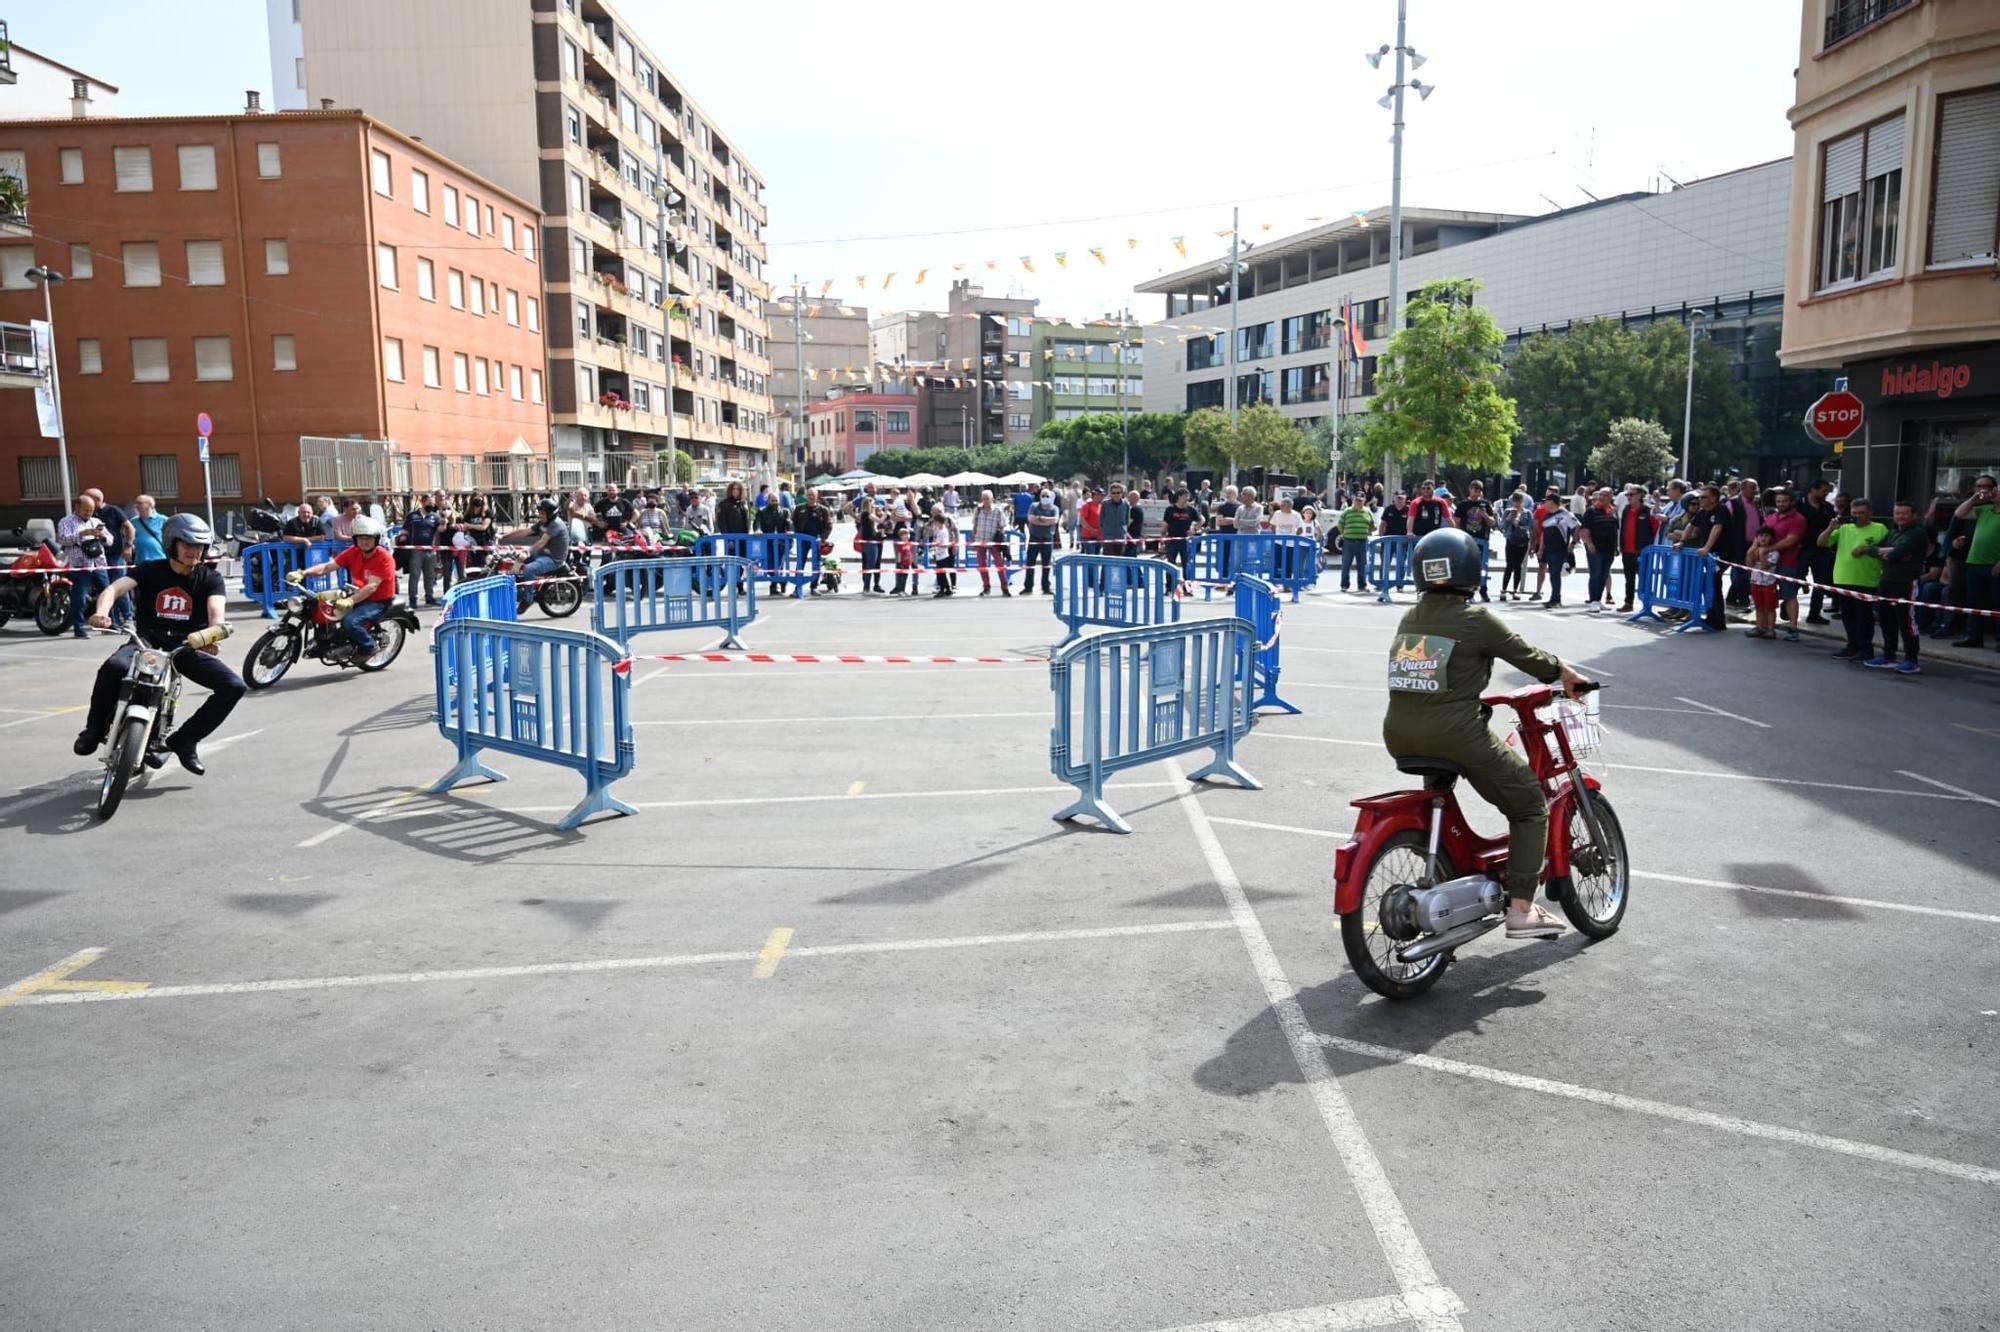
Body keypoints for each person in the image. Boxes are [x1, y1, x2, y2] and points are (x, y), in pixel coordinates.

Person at [1381, 528, 1593, 940]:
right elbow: (1525, 654)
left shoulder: (1411, 616)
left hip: (1401, 734)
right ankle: (1522, 909)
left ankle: (1450, 887)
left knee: (1441, 801)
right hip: (1456, 735)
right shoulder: (1475, 618)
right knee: (1531, 804)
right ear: (1470, 569)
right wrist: (1566, 675)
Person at [76, 513, 241, 776]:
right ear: (171, 544)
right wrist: (103, 612)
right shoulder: (150, 569)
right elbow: (113, 590)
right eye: (187, 545)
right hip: (147, 640)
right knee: (113, 667)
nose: (193, 551)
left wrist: (212, 636)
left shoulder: (211, 579)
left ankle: (185, 741)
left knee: (233, 686)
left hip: (186, 645)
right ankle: (94, 728)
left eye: (199, 546)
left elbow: (216, 613)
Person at [290, 516, 398, 660]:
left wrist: (350, 601)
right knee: (320, 605)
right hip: (357, 592)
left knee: (350, 622)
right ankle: (329, 640)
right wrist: (303, 573)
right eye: (361, 538)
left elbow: (372, 587)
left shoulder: (384, 558)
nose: (365, 542)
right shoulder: (353, 551)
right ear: (355, 539)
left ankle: (369, 647)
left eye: (369, 538)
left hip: (379, 600)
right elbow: (328, 567)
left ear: (376, 539)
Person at [1863, 501, 1930, 675]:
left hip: (1906, 583)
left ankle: (1911, 660)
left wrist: (1889, 552)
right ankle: (1888, 656)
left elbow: (1894, 555)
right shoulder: (1893, 532)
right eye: (1897, 513)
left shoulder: (1917, 533)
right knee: (1886, 620)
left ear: (1914, 515)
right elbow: (1871, 550)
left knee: (1907, 622)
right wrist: (1888, 551)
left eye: (1904, 513)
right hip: (1886, 581)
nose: (1900, 517)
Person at [1819, 497, 1887, 661]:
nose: (1857, 516)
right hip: (1843, 577)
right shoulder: (1844, 528)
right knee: (1848, 616)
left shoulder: (1880, 528)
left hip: (1866, 579)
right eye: (1854, 513)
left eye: (1861, 513)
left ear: (1870, 513)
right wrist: (1830, 528)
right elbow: (1821, 543)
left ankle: (1865, 648)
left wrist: (1868, 549)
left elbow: (1886, 550)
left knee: (1863, 617)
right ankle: (1852, 646)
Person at [1949, 475, 1999, 649]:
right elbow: (1959, 513)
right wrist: (1974, 497)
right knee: (1975, 603)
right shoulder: (1985, 509)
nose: (1993, 493)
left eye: (1995, 490)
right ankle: (1974, 637)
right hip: (1975, 562)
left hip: (1995, 564)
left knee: (1997, 603)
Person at [57, 495, 113, 638]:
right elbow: (62, 539)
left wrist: (102, 536)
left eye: (91, 510)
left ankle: (108, 625)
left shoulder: (96, 521)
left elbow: (110, 540)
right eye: (86, 510)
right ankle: (79, 628)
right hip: (80, 565)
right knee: (80, 598)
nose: (89, 513)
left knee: (107, 594)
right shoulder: (66, 521)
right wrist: (81, 534)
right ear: (77, 507)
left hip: (98, 564)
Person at [1678, 484, 1729, 630]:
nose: (1700, 500)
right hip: (1709, 556)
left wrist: (1707, 547)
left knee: (1713, 585)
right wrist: (1682, 541)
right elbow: (1690, 526)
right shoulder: (1702, 512)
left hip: (1721, 555)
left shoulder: (1721, 510)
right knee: (1709, 585)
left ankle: (1718, 620)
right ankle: (1711, 616)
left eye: (1704, 497)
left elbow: (1717, 528)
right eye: (1699, 497)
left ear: (1713, 498)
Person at [1761, 487, 1806, 640]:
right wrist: (1754, 551)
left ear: (1792, 502)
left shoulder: (1798, 519)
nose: (1781, 504)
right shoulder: (1770, 517)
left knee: (1789, 595)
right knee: (1763, 595)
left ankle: (1793, 629)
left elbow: (1791, 540)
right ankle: (1764, 627)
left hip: (1788, 562)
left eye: (1784, 501)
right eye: (1778, 501)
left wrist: (1768, 549)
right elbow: (1760, 536)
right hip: (1767, 563)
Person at [1799, 479, 1839, 625]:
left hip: (1822, 550)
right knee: (1797, 579)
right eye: (1823, 491)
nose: (1826, 493)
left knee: (1820, 584)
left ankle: (1814, 613)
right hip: (1803, 549)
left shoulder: (1827, 507)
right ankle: (1787, 606)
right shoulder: (1799, 505)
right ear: (1813, 490)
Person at [1615, 485, 1657, 613]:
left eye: (1631, 495)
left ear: (1639, 495)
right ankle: (1628, 603)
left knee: (1644, 578)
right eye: (1627, 495)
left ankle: (1647, 605)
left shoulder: (1648, 511)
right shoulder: (1627, 510)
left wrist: (1649, 546)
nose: (1628, 497)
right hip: (1627, 550)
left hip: (1642, 551)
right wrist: (1620, 545)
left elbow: (1655, 529)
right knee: (1629, 578)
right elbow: (1623, 528)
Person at [402, 492, 446, 606]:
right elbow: (405, 529)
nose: (430, 505)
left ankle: (429, 597)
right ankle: (413, 599)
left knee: (430, 575)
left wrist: (444, 520)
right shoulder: (412, 516)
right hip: (416, 551)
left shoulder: (435, 516)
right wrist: (402, 538)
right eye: (428, 502)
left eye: (432, 503)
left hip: (431, 551)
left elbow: (440, 530)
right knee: (414, 575)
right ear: (422, 502)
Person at [1580, 487, 1619, 614]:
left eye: (1606, 495)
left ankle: (1598, 599)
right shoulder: (1591, 511)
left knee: (1604, 575)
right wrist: (1589, 544)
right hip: (1595, 548)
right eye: (1601, 494)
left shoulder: (1613, 511)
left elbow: (1616, 530)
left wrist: (1617, 546)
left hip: (1609, 549)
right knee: (1595, 575)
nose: (1602, 497)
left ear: (1611, 496)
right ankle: (1593, 601)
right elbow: (1585, 529)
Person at [1537, 495, 1580, 609]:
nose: (1544, 504)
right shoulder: (1547, 516)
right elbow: (1544, 533)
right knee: (1552, 574)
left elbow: (1577, 527)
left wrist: (1573, 543)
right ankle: (1553, 598)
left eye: (1546, 501)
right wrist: (1541, 549)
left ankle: (1556, 599)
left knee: (1555, 574)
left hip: (1559, 549)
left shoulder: (1565, 514)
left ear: (1553, 502)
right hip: (1549, 549)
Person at [969, 490, 1011, 597]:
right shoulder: (978, 510)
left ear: (991, 499)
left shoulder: (998, 511)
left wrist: (1000, 537)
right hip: (980, 541)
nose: (985, 501)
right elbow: (974, 526)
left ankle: (1004, 587)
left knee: (999, 565)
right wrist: (973, 541)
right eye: (983, 498)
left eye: (987, 498)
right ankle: (986, 587)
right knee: (982, 566)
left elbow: (1003, 525)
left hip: (993, 542)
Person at [1744, 526, 1782, 640]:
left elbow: (1765, 566)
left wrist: (1762, 553)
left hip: (1769, 583)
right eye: (1760, 536)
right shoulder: (1754, 549)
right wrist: (1750, 551)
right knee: (1758, 606)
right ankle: (1759, 627)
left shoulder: (1774, 552)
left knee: (1770, 608)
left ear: (1771, 538)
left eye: (1766, 536)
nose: (1763, 538)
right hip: (1755, 582)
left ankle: (1771, 629)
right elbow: (1749, 565)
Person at [754, 492, 793, 596]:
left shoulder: (785, 511)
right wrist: (758, 529)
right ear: (768, 501)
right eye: (772, 501)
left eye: (776, 501)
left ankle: (774, 586)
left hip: (781, 543)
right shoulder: (762, 511)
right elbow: (757, 522)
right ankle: (782, 581)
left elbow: (788, 522)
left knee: (779, 564)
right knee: (770, 565)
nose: (775, 503)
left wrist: (789, 530)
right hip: (767, 543)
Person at [1024, 489, 1060, 593]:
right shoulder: (1034, 506)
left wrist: (1039, 519)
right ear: (1040, 496)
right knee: (1030, 563)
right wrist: (1046, 521)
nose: (1045, 498)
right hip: (1034, 538)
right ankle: (1028, 587)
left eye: (1047, 496)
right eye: (1043, 495)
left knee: (1046, 564)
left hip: (1047, 539)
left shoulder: (1054, 508)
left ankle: (1045, 587)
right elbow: (1030, 518)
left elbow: (1054, 521)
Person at [1499, 491, 1533, 601]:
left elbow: (1530, 527)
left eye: (1519, 500)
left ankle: (1515, 590)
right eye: (1515, 500)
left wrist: (1519, 526)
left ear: (1523, 501)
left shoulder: (1527, 513)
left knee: (1518, 566)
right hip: (1511, 540)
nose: (1517, 503)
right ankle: (1504, 590)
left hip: (1523, 541)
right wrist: (1509, 518)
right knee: (1509, 565)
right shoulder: (1508, 511)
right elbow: (1502, 526)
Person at [1338, 493, 1375, 593]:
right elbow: (1340, 524)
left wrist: (1369, 532)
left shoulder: (1368, 512)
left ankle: (1362, 585)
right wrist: (1343, 535)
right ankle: (1344, 585)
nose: (1358, 502)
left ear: (1364, 501)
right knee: (1346, 564)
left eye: (1361, 500)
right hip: (1349, 542)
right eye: (1357, 500)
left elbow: (1372, 525)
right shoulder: (1347, 511)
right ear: (1353, 500)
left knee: (1362, 565)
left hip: (1362, 542)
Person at [1162, 488, 1199, 577]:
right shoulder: (1170, 509)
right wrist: (1162, 540)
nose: (1187, 498)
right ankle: (1169, 587)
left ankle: (1186, 586)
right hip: (1172, 540)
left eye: (1188, 496)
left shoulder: (1191, 509)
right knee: (1170, 564)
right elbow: (1165, 525)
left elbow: (1202, 519)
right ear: (1179, 496)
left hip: (1185, 541)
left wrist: (1194, 529)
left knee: (1186, 565)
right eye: (1186, 496)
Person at [923, 510, 956, 597]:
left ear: (939, 522)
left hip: (943, 555)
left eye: (935, 522)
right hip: (939, 554)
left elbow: (944, 544)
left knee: (941, 573)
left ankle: (944, 589)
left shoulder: (943, 532)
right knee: (940, 573)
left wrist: (937, 545)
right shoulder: (939, 530)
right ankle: (947, 589)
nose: (935, 524)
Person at [129, 494, 167, 567]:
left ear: (149, 505)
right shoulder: (133, 521)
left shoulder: (163, 520)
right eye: (135, 503)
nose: (136, 506)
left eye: (139, 503)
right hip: (140, 560)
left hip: (159, 559)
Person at [855, 502, 884, 594]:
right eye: (872, 504)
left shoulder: (865, 514)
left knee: (870, 565)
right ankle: (866, 588)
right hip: (870, 543)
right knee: (870, 565)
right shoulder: (867, 514)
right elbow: (880, 520)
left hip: (871, 541)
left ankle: (867, 587)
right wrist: (886, 511)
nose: (874, 505)